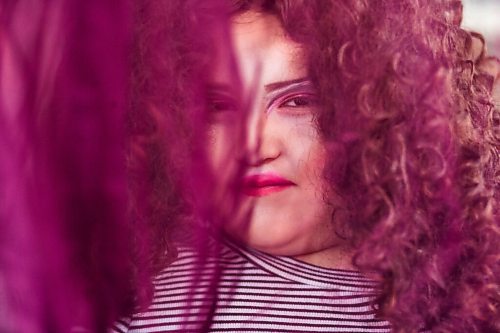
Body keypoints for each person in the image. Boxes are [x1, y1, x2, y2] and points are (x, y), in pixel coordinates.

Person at [113, 0, 499, 332]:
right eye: (218, 107)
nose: (252, 147)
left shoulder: (466, 296)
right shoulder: (128, 292)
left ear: (387, 114)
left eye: (297, 102)